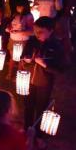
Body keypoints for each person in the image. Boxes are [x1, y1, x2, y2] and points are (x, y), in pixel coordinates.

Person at [22, 17, 63, 149]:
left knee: (41, 110)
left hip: (44, 84)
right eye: (36, 31)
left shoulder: (56, 46)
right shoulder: (32, 41)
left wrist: (44, 64)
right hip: (29, 81)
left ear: (50, 31)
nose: (37, 34)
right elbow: (24, 54)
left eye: (41, 32)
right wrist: (26, 59)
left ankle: (39, 136)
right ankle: (26, 132)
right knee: (28, 107)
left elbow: (59, 69)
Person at [5, 0, 34, 79]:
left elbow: (31, 31)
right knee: (12, 58)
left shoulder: (28, 16)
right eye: (17, 6)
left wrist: (19, 32)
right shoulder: (15, 14)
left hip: (23, 40)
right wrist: (8, 29)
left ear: (25, 6)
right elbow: (10, 25)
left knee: (21, 59)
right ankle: (10, 73)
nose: (18, 7)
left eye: (21, 6)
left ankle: (18, 75)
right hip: (12, 39)